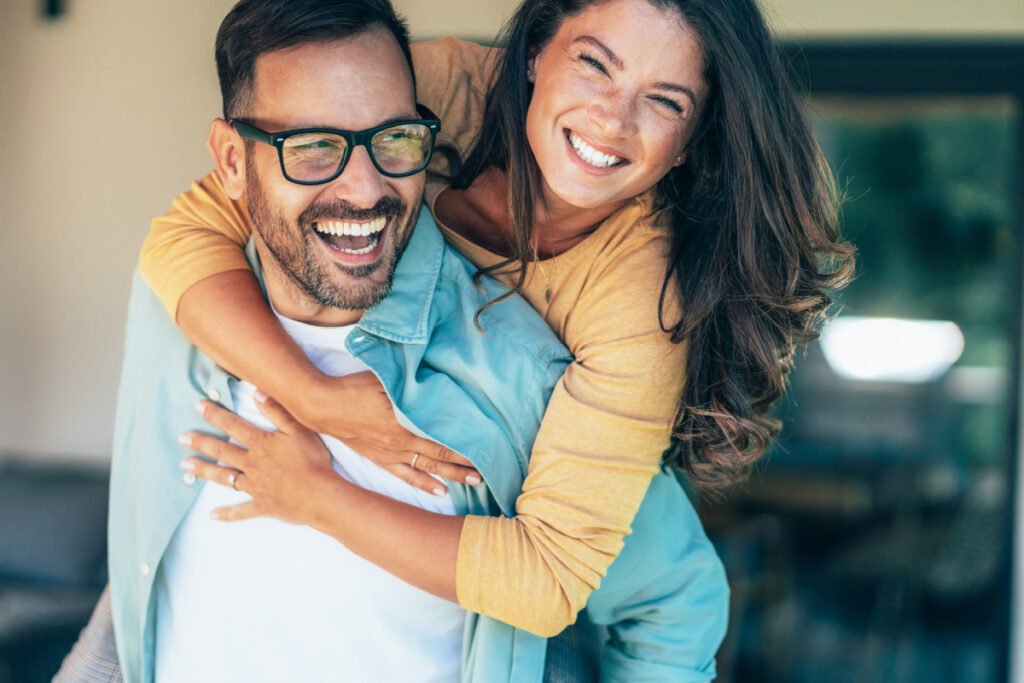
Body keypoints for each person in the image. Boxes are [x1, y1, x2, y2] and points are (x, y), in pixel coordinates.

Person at [136, 0, 852, 647]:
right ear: (536, 51)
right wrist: (314, 397)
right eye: (595, 64)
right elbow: (189, 230)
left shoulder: (642, 305)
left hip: (627, 565)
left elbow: (547, 581)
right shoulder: (438, 87)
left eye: (664, 102)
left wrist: (317, 495)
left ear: (691, 141)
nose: (611, 118)